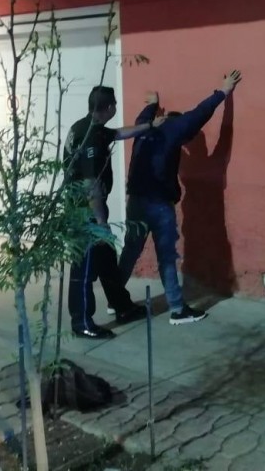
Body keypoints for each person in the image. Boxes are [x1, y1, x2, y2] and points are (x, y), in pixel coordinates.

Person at [116, 70, 242, 325]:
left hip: (136, 200)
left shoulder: (143, 127)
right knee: (166, 256)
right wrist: (225, 91)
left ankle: (115, 298)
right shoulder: (175, 128)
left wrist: (152, 104)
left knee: (130, 250)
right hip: (158, 204)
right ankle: (177, 309)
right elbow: (201, 113)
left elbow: (144, 115)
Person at [65, 85, 164, 339]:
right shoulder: (90, 137)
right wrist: (101, 223)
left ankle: (123, 307)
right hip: (85, 214)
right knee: (84, 269)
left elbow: (118, 133)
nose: (116, 108)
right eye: (115, 104)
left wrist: (150, 125)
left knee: (107, 263)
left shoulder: (89, 127)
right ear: (109, 107)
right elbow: (90, 185)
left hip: (92, 211)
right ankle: (82, 323)